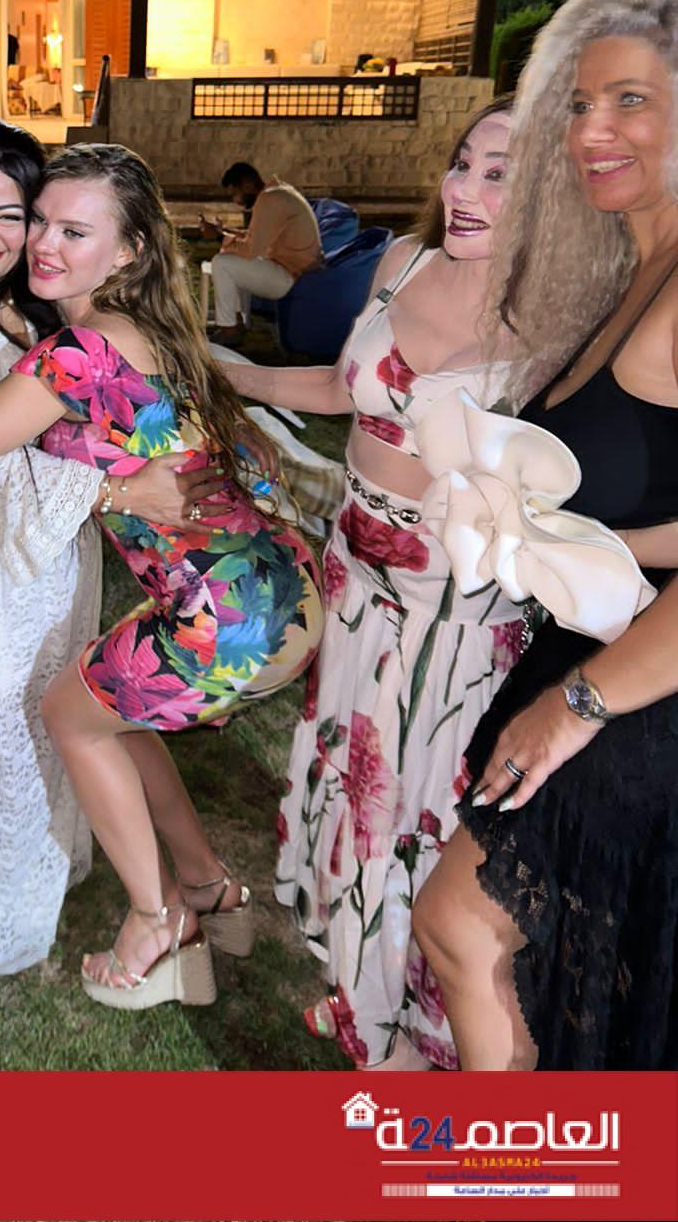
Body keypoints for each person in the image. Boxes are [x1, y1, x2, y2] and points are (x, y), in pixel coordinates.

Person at [0, 143, 323, 1009]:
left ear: (130, 250)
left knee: (69, 715)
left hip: (222, 619)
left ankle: (156, 924)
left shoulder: (76, 355)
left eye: (74, 232)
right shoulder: (153, 326)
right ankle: (209, 887)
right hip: (283, 592)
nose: (42, 244)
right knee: (116, 715)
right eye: (41, 222)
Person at [221, 97, 527, 1069]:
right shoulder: (403, 263)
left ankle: (413, 1024)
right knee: (352, 786)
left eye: (500, 174)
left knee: (413, 808)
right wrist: (236, 376)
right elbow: (341, 387)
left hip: (454, 611)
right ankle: (360, 985)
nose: (465, 189)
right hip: (355, 572)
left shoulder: (565, 314)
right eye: (463, 162)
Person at [413, 0, 678, 1071]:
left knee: (465, 925)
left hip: (641, 691)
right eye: (576, 105)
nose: (589, 132)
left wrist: (577, 707)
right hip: (603, 652)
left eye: (629, 100)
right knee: (524, 960)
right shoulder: (638, 264)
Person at [205, 163, 322, 345]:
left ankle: (229, 330)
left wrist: (219, 237)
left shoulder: (269, 200)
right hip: (291, 269)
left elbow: (251, 250)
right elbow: (256, 238)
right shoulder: (276, 193)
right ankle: (237, 322)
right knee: (232, 258)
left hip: (291, 276)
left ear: (247, 186)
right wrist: (224, 233)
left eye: (234, 194)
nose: (236, 201)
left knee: (222, 262)